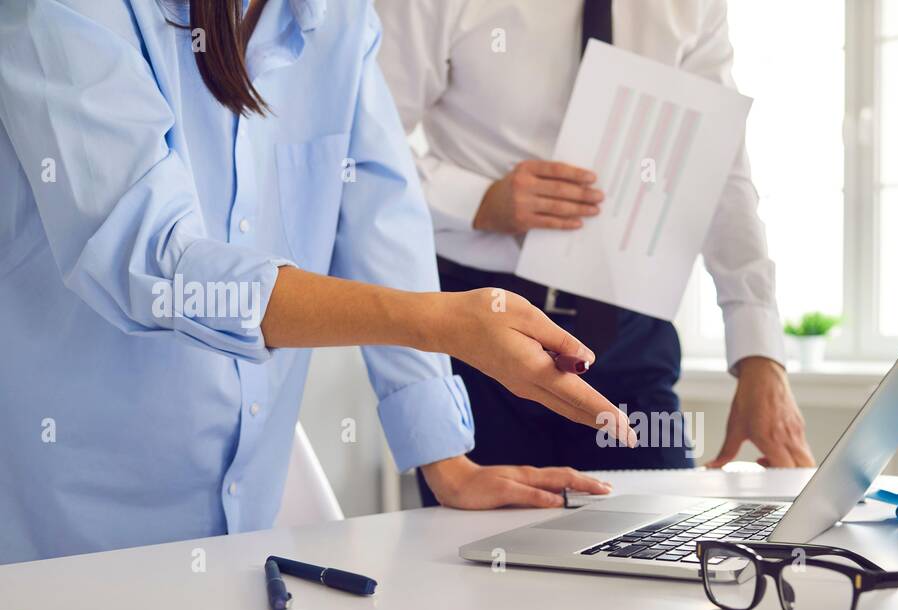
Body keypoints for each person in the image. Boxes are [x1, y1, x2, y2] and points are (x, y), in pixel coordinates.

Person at [0, 0, 635, 567]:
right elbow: (155, 258)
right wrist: (438, 322)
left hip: (246, 527)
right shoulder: (64, 10)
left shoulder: (338, 16)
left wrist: (445, 460)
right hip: (71, 534)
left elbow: (382, 222)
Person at [374, 0, 815, 507]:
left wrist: (759, 354)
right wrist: (476, 200)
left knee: (664, 551)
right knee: (479, 564)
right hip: (482, 330)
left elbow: (722, 170)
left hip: (628, 327)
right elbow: (371, 150)